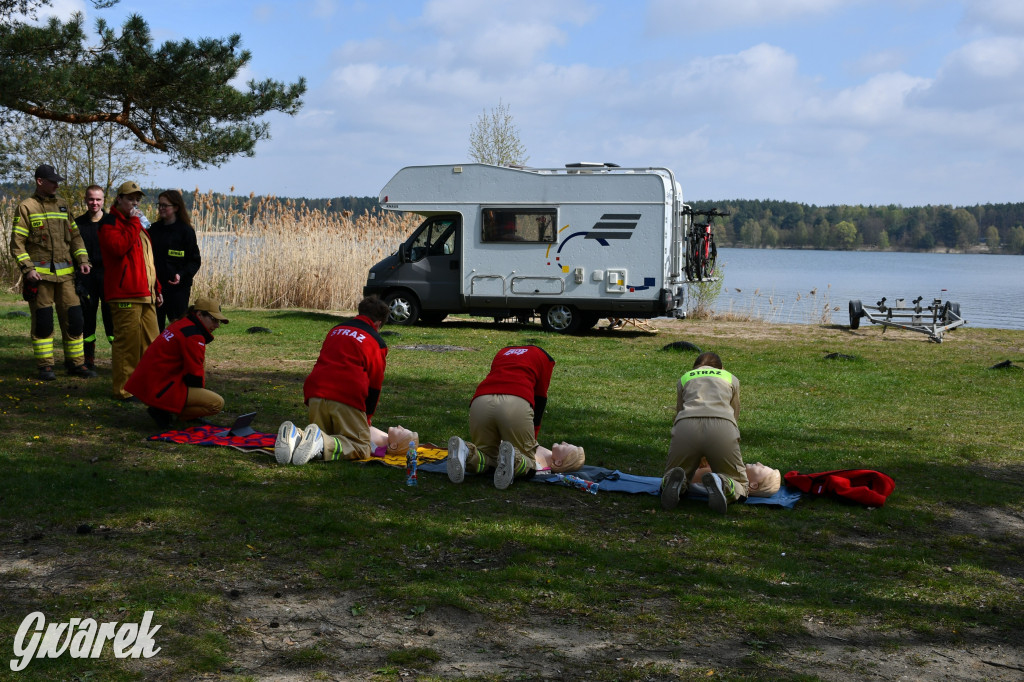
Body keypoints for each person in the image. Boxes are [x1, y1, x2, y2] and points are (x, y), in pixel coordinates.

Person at [274, 295, 390, 465]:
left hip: (315, 392)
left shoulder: (336, 329)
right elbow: (375, 385)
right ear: (379, 323)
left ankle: (296, 437)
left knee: (319, 436)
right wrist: (367, 418)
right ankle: (321, 443)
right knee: (360, 447)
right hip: (347, 396)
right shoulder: (377, 341)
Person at [8, 164, 95, 380]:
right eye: (53, 181)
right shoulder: (26, 207)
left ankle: (76, 364)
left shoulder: (64, 206)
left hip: (66, 276)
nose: (57, 184)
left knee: (75, 319)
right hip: (40, 277)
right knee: (43, 321)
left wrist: (83, 260)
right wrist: (28, 270)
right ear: (40, 181)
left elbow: (75, 237)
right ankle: (45, 366)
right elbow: (17, 244)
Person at [446, 344, 556, 489]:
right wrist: (532, 439)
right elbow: (540, 397)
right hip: (516, 401)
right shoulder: (546, 359)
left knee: (487, 456)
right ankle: (515, 460)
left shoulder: (503, 352)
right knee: (529, 462)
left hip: (480, 401)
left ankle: (466, 452)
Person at [660, 351, 748, 514]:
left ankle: (673, 482)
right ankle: (723, 483)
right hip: (722, 426)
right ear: (722, 367)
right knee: (741, 484)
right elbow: (734, 414)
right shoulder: (730, 378)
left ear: (695, 367)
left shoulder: (685, 378)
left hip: (686, 425)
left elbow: (679, 409)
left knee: (675, 472)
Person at [98, 181, 163, 400]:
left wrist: (157, 288)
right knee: (127, 345)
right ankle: (124, 390)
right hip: (124, 294)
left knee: (152, 344)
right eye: (130, 198)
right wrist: (135, 223)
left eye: (137, 199)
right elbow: (118, 248)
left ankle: (147, 387)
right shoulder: (110, 222)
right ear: (119, 199)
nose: (134, 203)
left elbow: (148, 260)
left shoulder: (138, 225)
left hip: (146, 294)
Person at [125, 297, 228, 428]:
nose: (217, 325)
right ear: (199, 314)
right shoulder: (193, 335)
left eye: (218, 321)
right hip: (160, 387)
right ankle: (169, 412)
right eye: (213, 320)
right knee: (216, 403)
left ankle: (164, 409)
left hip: (149, 383)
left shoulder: (181, 323)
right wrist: (197, 396)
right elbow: (194, 373)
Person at [74, 184, 115, 369]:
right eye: (91, 199)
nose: (94, 203)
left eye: (98, 199)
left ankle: (119, 356)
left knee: (112, 318)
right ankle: (88, 358)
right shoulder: (78, 223)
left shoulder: (112, 222)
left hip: (108, 277)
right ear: (85, 200)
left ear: (103, 200)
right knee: (87, 318)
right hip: (86, 278)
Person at [150, 190, 202, 331]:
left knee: (178, 328)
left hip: (178, 290)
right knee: (155, 328)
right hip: (156, 288)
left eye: (165, 205)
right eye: (159, 205)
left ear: (176, 208)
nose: (161, 208)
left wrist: (181, 274)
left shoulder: (186, 231)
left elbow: (195, 261)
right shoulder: (153, 230)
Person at [691, 461, 781, 498]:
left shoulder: (731, 476)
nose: (759, 463)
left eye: (762, 468)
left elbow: (696, 474)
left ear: (753, 485)